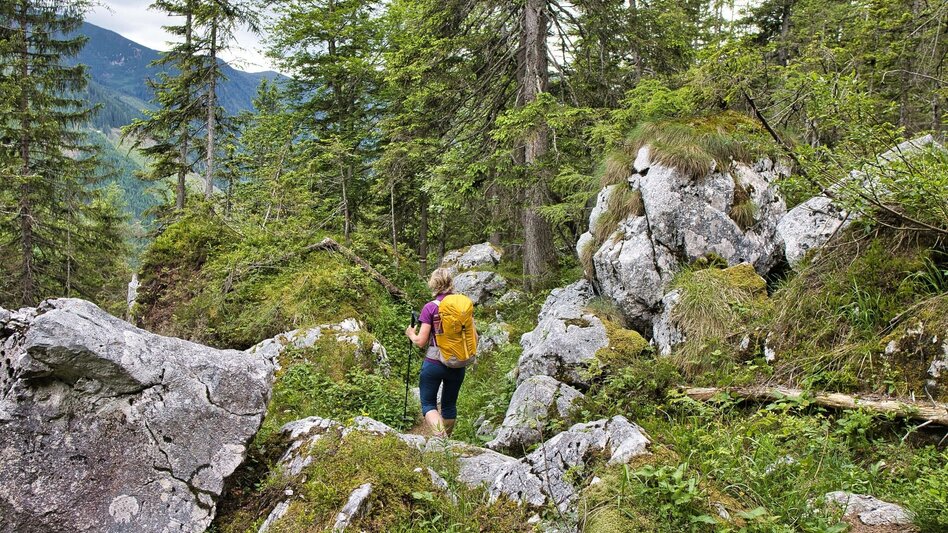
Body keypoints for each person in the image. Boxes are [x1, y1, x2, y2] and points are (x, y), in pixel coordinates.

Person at [405, 268, 475, 438]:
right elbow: (474, 336)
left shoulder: (430, 307)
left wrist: (410, 334)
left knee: (428, 404)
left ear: (433, 284)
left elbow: (421, 342)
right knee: (449, 405)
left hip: (434, 363)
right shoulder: (463, 307)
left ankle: (441, 440)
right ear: (451, 283)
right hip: (458, 363)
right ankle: (447, 441)